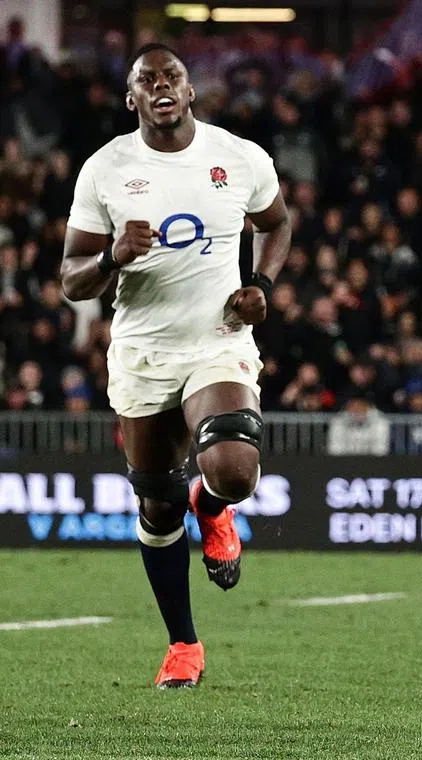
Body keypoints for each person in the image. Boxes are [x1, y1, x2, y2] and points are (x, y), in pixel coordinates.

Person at [60, 44, 291, 686]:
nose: (161, 85)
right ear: (131, 98)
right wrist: (110, 257)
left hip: (218, 339)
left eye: (172, 76)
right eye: (147, 79)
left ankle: (213, 505)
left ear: (190, 91)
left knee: (234, 467)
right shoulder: (105, 169)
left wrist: (262, 284)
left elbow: (276, 224)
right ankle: (183, 643)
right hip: (144, 352)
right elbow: (71, 280)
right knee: (159, 507)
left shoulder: (239, 156)